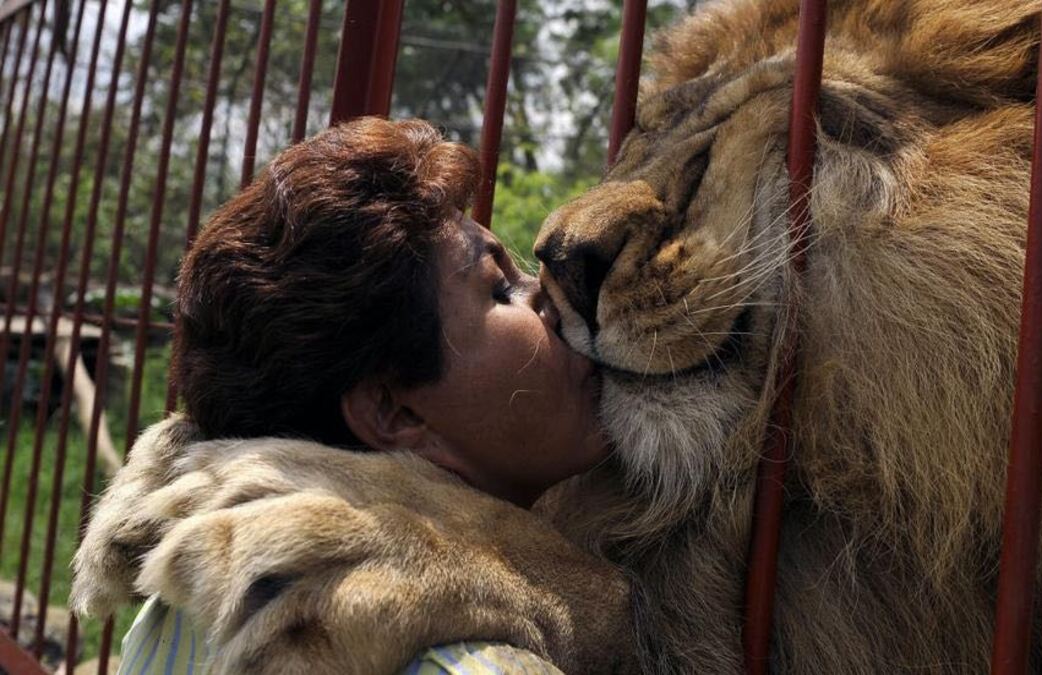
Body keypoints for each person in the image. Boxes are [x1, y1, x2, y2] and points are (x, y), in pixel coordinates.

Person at [71, 118, 634, 674]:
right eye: (500, 289)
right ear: (394, 412)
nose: (552, 302)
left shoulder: (180, 609)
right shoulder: (474, 665)